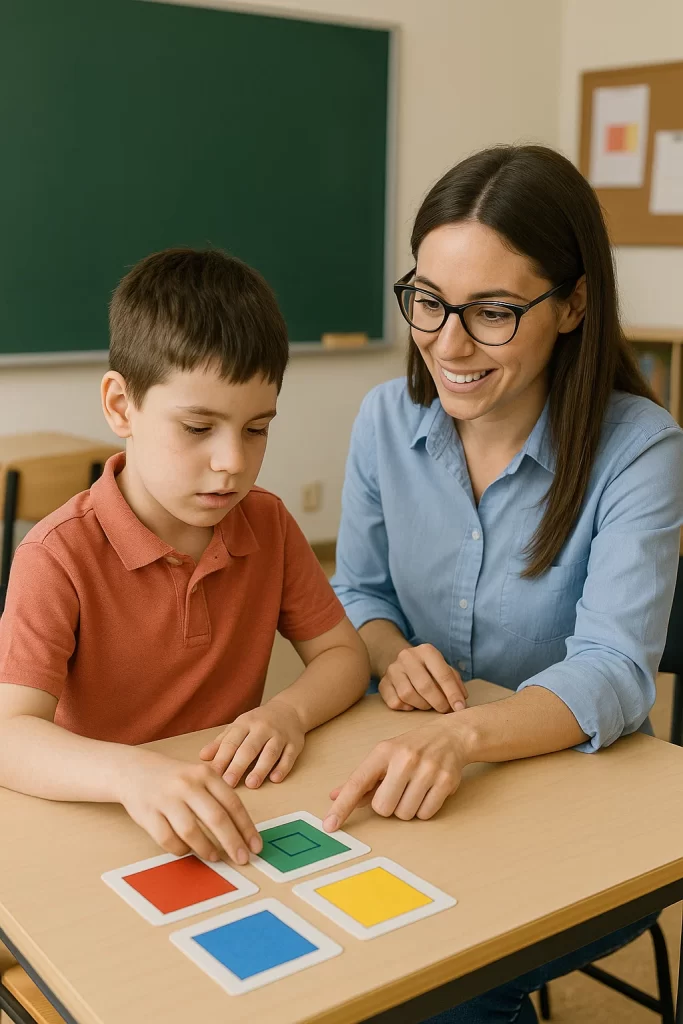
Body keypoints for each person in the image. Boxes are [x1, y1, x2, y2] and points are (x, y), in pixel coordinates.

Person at [326, 145, 683, 1023]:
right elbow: (357, 592)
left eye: (491, 312)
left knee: (433, 994)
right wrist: (390, 651)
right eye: (428, 302)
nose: (447, 344)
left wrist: (462, 739)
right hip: (421, 795)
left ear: (572, 305)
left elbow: (611, 668)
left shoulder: (639, 448)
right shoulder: (383, 419)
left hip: (578, 814)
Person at [0, 248, 369, 867]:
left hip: (228, 812)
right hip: (99, 825)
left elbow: (343, 656)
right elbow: (9, 735)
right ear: (122, 406)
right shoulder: (57, 555)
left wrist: (287, 712)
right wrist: (131, 775)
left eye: (256, 429)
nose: (233, 462)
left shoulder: (268, 523)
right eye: (198, 428)